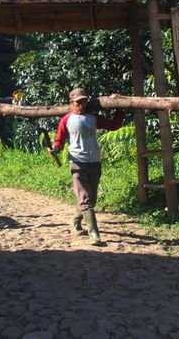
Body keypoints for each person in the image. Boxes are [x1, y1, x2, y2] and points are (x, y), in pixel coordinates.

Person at [51, 87, 123, 245]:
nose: (81, 105)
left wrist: (119, 108)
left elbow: (113, 125)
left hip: (94, 162)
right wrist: (56, 148)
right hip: (77, 163)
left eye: (84, 101)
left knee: (91, 199)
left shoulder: (93, 118)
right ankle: (94, 234)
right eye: (78, 102)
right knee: (85, 198)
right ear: (71, 103)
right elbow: (60, 140)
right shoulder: (66, 120)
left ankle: (75, 221)